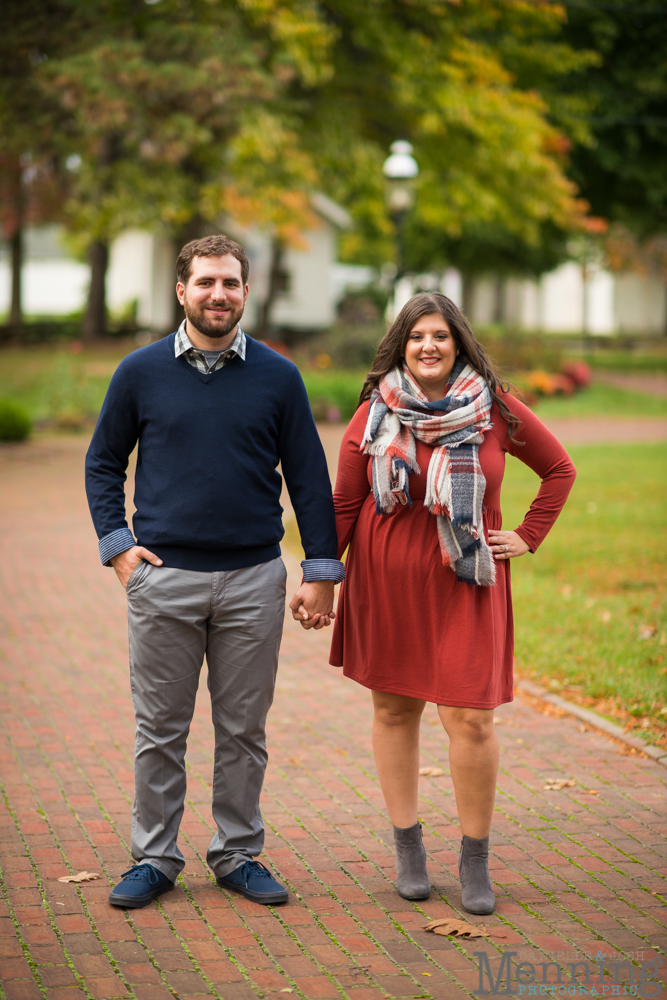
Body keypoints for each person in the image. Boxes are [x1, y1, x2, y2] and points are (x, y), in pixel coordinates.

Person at [85, 234, 345, 909]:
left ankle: (236, 852)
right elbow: (103, 462)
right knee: (159, 730)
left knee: (243, 730)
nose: (218, 294)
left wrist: (320, 571)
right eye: (205, 283)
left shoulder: (278, 376)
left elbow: (310, 480)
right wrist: (119, 549)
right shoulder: (139, 372)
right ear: (181, 291)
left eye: (229, 283)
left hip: (254, 580)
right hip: (163, 579)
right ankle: (154, 856)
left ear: (245, 291)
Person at [330, 292, 575, 914]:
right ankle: (408, 847)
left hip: (466, 580)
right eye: (416, 337)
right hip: (386, 581)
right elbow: (345, 504)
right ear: (401, 346)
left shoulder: (495, 410)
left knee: (470, 718)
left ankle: (474, 858)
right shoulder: (374, 412)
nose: (428, 346)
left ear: (459, 343)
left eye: (440, 335)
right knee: (394, 711)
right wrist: (321, 577)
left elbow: (560, 470)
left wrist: (527, 533)